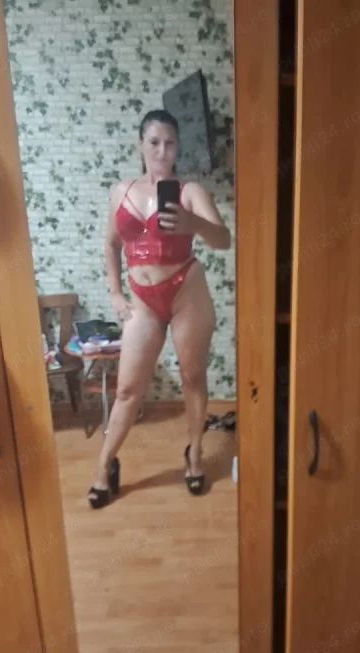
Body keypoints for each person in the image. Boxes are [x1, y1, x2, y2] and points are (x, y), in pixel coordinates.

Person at [87, 109, 230, 509]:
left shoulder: (190, 191)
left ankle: (195, 455)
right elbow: (110, 246)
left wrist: (193, 224)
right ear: (140, 145)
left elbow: (223, 239)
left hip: (186, 292)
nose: (163, 151)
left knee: (192, 377)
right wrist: (115, 294)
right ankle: (104, 465)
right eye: (154, 142)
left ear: (178, 146)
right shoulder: (121, 191)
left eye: (170, 143)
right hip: (142, 300)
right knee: (128, 390)